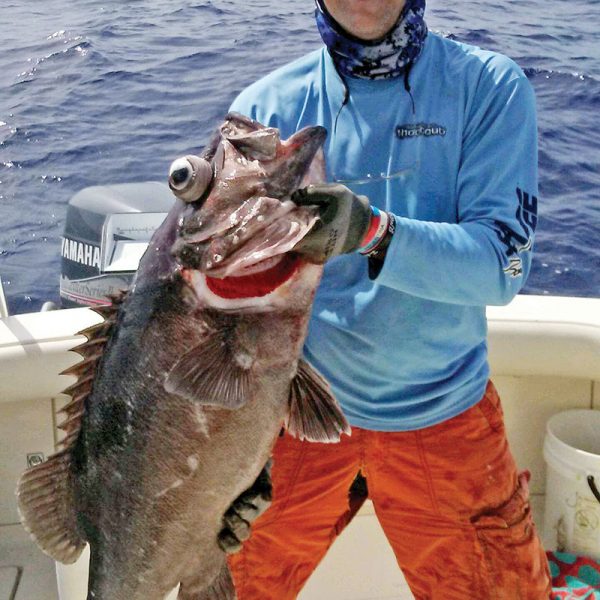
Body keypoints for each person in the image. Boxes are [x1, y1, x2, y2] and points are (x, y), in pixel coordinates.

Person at [220, 0, 551, 597]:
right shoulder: (262, 111)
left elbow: (499, 269)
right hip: (292, 418)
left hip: (444, 413)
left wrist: (374, 232)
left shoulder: (489, 87)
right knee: (230, 586)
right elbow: (226, 307)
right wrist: (228, 443)